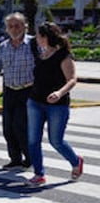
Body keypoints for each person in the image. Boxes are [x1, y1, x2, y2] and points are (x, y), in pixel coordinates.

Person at [25, 21, 84, 186]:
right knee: (32, 140)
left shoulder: (63, 55)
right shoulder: (40, 54)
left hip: (57, 105)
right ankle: (39, 174)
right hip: (35, 101)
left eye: (38, 35)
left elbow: (72, 79)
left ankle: (76, 161)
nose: (36, 38)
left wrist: (59, 93)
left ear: (45, 37)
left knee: (56, 140)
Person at [0, 12, 35, 169]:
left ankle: (30, 157)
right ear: (6, 29)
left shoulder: (34, 44)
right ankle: (15, 158)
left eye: (17, 25)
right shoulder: (3, 46)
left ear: (24, 26)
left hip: (28, 91)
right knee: (8, 128)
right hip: (10, 91)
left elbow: (44, 66)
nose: (14, 29)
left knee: (20, 125)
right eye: (10, 26)